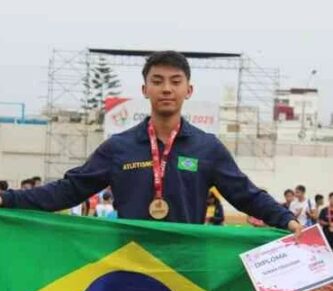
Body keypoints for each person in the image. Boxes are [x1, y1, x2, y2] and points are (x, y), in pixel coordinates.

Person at [0, 51, 301, 235]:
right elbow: (69, 190)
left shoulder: (207, 148)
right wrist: (8, 199)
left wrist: (287, 221)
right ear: (145, 89)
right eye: (157, 81)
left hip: (186, 272)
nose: (166, 89)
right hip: (128, 269)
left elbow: (245, 195)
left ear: (189, 89)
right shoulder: (118, 148)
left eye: (175, 81)